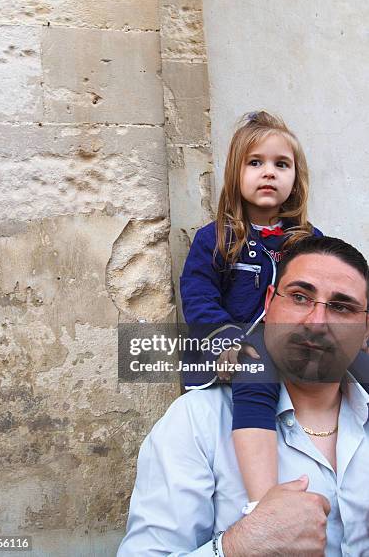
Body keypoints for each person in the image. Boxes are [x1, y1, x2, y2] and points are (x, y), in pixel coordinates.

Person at [118, 236, 369, 556]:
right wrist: (237, 546)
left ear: (365, 329)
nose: (317, 322)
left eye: (341, 306)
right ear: (268, 303)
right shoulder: (198, 423)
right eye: (300, 297)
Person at [179, 111, 369, 507]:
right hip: (243, 343)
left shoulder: (307, 238)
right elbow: (197, 294)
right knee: (256, 376)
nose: (269, 173)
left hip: (300, 341)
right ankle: (263, 500)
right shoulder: (214, 238)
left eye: (281, 164)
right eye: (256, 163)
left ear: (295, 178)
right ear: (236, 173)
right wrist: (222, 337)